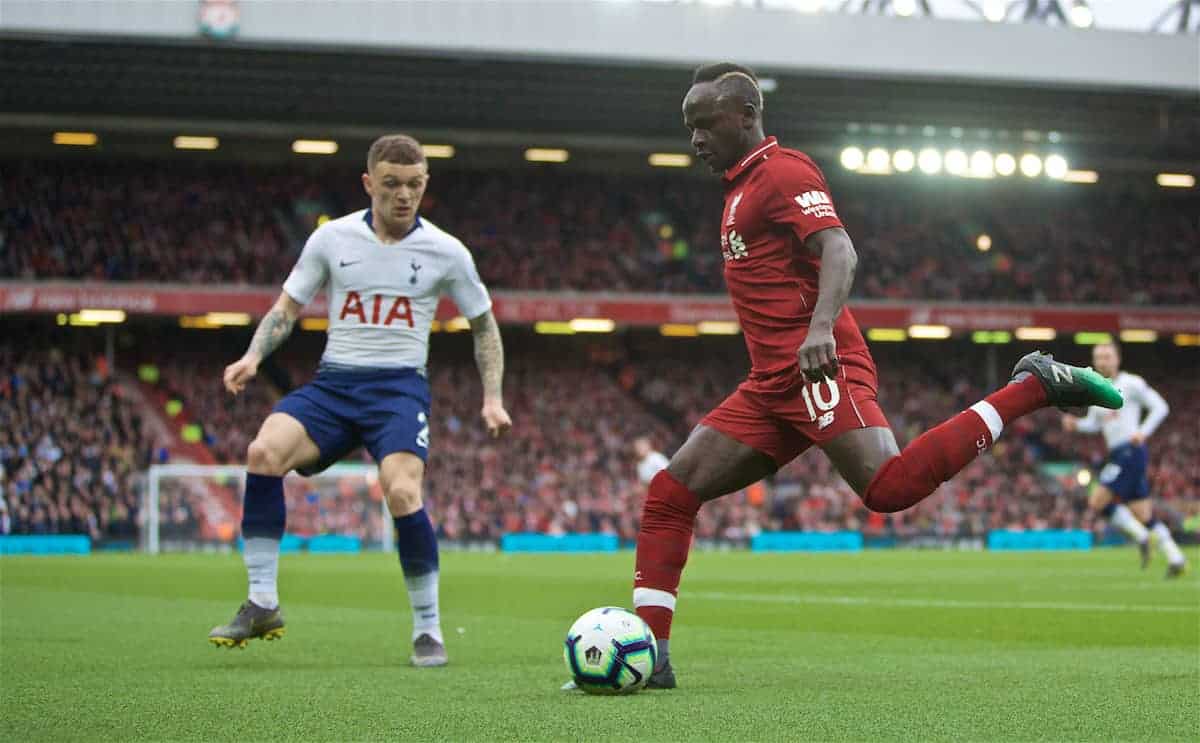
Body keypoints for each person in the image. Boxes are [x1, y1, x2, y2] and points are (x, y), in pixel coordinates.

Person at [622, 63, 1123, 689]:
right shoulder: (738, 188)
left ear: (747, 116)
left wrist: (820, 329)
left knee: (888, 489)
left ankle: (1034, 387)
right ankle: (651, 659)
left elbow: (839, 248)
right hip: (770, 384)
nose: (695, 137)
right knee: (671, 493)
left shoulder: (784, 172)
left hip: (819, 367)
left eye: (705, 123)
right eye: (688, 127)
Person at [208, 134, 512, 666]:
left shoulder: (447, 251)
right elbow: (287, 307)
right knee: (262, 453)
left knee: (401, 493)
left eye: (414, 185)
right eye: (392, 184)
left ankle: (428, 629)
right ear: (369, 182)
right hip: (334, 386)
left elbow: (483, 325)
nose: (403, 195)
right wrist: (253, 357)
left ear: (425, 186)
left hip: (397, 390)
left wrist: (492, 398)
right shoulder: (332, 240)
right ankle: (262, 602)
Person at [1063, 342, 1184, 578]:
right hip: (1119, 453)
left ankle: (1140, 537)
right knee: (1143, 514)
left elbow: (1161, 407)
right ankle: (1176, 558)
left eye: (1107, 356)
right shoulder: (1097, 390)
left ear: (1118, 359)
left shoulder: (1131, 383)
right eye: (1098, 357)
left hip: (1130, 451)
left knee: (1097, 501)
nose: (1102, 361)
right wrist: (1076, 424)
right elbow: (1095, 424)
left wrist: (1143, 432)